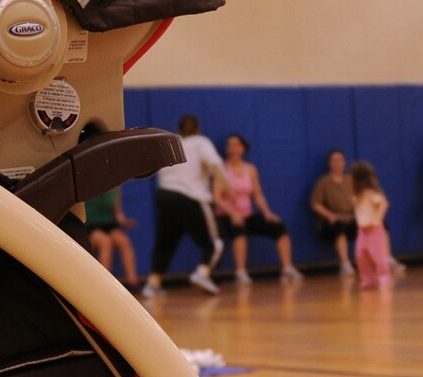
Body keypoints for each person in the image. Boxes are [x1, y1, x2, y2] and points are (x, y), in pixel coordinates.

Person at [143, 113, 227, 297]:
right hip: (190, 197)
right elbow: (215, 163)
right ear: (198, 129)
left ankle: (152, 284)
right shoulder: (201, 142)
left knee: (165, 243)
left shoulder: (170, 143)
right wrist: (228, 187)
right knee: (215, 241)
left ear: (178, 128)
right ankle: (202, 273)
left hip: (165, 196)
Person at [215, 134, 302, 283]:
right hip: (227, 216)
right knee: (239, 230)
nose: (233, 148)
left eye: (236, 145)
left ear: (243, 148)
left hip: (248, 215)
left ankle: (287, 268)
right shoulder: (221, 169)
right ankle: (240, 272)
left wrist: (267, 212)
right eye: (230, 145)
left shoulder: (250, 169)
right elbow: (216, 198)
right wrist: (233, 213)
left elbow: (258, 195)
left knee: (278, 227)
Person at [309, 149, 359, 277]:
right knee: (339, 227)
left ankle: (385, 258)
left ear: (344, 162)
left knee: (378, 225)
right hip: (332, 221)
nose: (337, 163)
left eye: (340, 160)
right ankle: (345, 264)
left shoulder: (351, 180)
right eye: (334, 160)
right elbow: (315, 204)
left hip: (351, 218)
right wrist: (330, 215)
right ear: (329, 163)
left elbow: (359, 200)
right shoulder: (323, 182)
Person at [83, 185, 137, 290]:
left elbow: (117, 212)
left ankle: (132, 282)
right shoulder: (86, 187)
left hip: (108, 225)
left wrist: (125, 222)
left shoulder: (115, 188)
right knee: (105, 243)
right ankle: (104, 284)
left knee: (124, 241)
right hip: (90, 226)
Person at [349, 160, 392, 289]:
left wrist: (377, 219)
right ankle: (368, 279)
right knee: (361, 255)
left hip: (374, 229)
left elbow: (383, 204)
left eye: (351, 175)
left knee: (378, 255)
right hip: (362, 230)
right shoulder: (356, 196)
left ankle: (383, 277)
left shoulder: (371, 193)